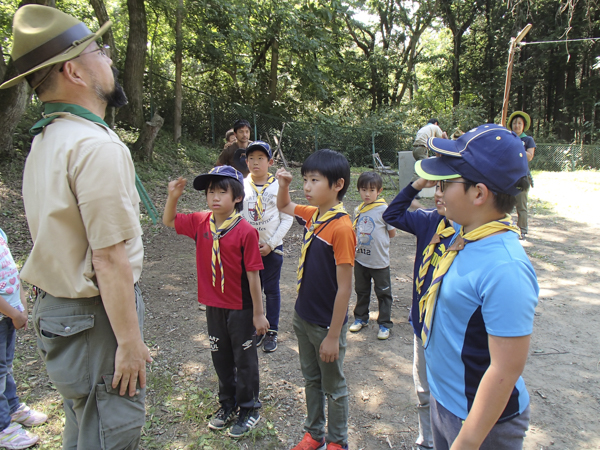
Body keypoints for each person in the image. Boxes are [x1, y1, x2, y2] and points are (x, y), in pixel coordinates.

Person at [1, 5, 151, 448]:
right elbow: (107, 256)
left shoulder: (47, 139)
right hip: (94, 320)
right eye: (99, 49)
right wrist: (128, 341)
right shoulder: (93, 145)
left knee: (86, 424)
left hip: (63, 315)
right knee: (110, 430)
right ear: (75, 70)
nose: (109, 56)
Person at [414, 124, 539, 449]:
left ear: (479, 194)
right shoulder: (464, 232)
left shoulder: (505, 268)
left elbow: (505, 369)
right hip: (446, 401)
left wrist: (466, 442)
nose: (438, 189)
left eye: (447, 180)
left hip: (482, 422)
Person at [163, 166, 269, 438]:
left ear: (236, 197)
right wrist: (173, 196)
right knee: (220, 356)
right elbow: (170, 221)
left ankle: (249, 408)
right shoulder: (200, 221)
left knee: (244, 358)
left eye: (223, 191)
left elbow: (254, 275)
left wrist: (259, 314)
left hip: (241, 307)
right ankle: (228, 403)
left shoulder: (245, 231)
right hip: (214, 305)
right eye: (211, 192)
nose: (215, 197)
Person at [276, 149, 356, 450]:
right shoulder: (314, 214)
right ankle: (314, 433)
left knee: (334, 387)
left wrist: (334, 336)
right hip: (303, 315)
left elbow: (345, 288)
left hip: (326, 324)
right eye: (305, 179)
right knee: (311, 380)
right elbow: (284, 205)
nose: (307, 187)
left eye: (314, 180)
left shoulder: (342, 227)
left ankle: (337, 441)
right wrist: (284, 184)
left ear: (337, 184)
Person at [382, 178, 455, 450]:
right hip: (422, 325)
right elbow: (391, 214)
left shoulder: (469, 234)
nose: (438, 194)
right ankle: (426, 441)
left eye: (446, 189)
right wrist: (416, 185)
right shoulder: (428, 220)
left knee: (451, 397)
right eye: (436, 188)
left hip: (449, 331)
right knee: (424, 391)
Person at [241, 141, 293, 353]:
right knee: (252, 290)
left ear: (270, 162)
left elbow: (287, 218)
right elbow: (237, 216)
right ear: (246, 161)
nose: (256, 162)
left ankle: (272, 331)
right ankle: (257, 327)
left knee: (271, 291)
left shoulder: (278, 186)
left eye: (261, 158)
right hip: (247, 251)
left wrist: (271, 244)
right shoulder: (241, 185)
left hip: (273, 250)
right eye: (251, 158)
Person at [0, 227, 48, 449]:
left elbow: (11, 269)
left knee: (6, 367)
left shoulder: (1, 233)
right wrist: (14, 313)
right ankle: (3, 428)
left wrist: (22, 304)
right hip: (7, 314)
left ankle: (12, 407)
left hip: (9, 315)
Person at [348, 172, 395, 340]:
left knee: (383, 293)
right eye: (363, 190)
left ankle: (384, 323)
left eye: (371, 190)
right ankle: (361, 318)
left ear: (379, 191)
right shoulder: (358, 210)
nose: (367, 194)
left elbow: (392, 233)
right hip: (361, 259)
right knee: (361, 290)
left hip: (379, 261)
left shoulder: (385, 210)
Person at [507, 111, 536, 240]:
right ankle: (503, 227)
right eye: (514, 123)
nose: (517, 125)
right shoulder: (508, 138)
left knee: (521, 205)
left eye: (519, 123)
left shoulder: (527, 140)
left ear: (523, 126)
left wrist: (518, 149)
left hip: (522, 177)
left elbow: (530, 156)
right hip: (507, 175)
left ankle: (522, 230)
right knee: (504, 203)